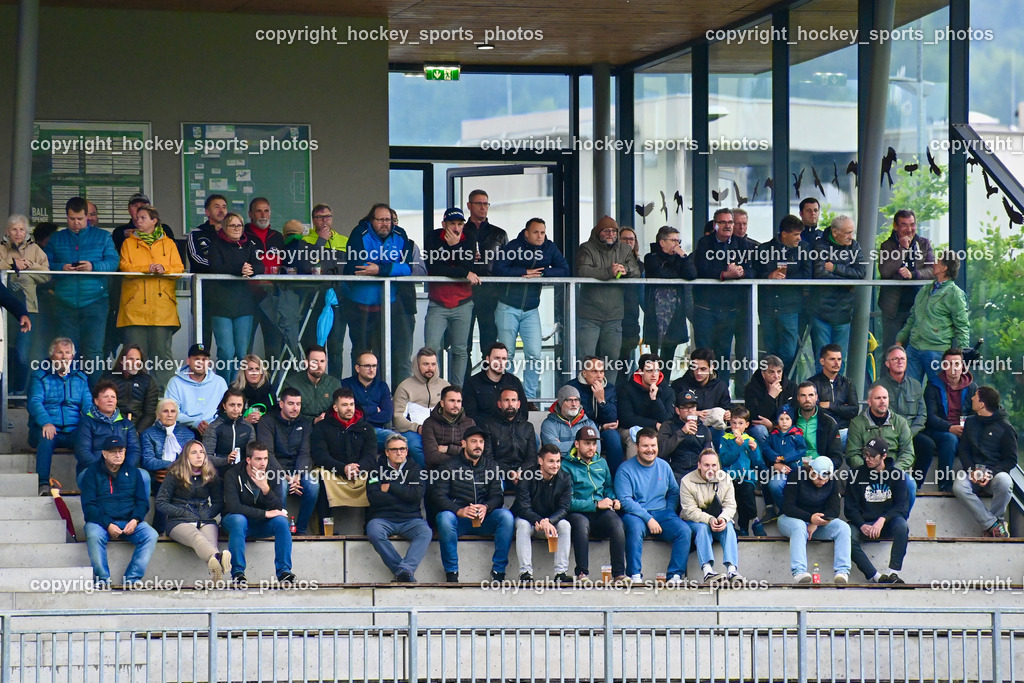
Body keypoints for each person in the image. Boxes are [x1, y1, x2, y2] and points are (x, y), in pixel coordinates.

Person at [492, 218, 570, 399]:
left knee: (534, 354)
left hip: (531, 310)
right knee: (507, 355)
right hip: (507, 307)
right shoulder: (513, 246)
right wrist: (523, 272)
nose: (540, 236)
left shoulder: (549, 247)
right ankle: (508, 396)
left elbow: (565, 269)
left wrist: (543, 273)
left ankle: (528, 398)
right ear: (526, 233)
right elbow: (498, 268)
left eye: (542, 232)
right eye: (536, 232)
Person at [43, 197, 119, 383]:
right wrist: (62, 268)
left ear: (88, 217)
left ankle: (94, 399)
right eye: (71, 219)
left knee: (94, 353)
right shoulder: (56, 238)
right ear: (66, 217)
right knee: (66, 353)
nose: (76, 223)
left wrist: (92, 266)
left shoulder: (103, 236)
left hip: (96, 301)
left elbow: (114, 262)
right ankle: (69, 397)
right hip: (64, 303)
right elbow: (45, 264)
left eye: (80, 219)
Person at [429, 426, 514, 582]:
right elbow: (438, 496)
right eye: (473, 441)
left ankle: (498, 571)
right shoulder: (449, 466)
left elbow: (497, 497)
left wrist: (486, 507)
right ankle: (452, 573)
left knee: (506, 516)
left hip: (484, 518)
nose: (478, 445)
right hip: (459, 519)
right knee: (444, 518)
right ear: (463, 443)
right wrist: (458, 510)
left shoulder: (491, 466)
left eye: (481, 442)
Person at [117, 204, 184, 389]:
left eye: (143, 218)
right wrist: (147, 269)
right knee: (133, 355)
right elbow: (125, 267)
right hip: (135, 309)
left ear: (154, 221)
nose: (138, 221)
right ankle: (131, 394)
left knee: (162, 355)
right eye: (137, 218)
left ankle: (166, 398)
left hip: (162, 309)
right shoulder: (128, 243)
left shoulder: (169, 243)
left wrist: (165, 269)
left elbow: (178, 269)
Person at [615, 428, 692, 583]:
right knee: (635, 528)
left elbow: (673, 492)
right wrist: (649, 519)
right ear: (636, 447)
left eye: (653, 445)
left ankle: (675, 575)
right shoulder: (625, 469)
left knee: (684, 531)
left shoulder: (664, 466)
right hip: (636, 514)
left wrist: (669, 511)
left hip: (663, 513)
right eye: (645, 446)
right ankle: (634, 575)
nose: (650, 450)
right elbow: (625, 500)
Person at [343, 203, 414, 370]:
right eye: (380, 220)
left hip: (390, 304)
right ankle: (357, 393)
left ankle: (383, 392)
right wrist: (391, 267)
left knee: (386, 351)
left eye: (388, 220)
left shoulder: (400, 234)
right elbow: (357, 266)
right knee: (361, 351)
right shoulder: (359, 233)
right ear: (371, 220)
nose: (385, 224)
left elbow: (407, 267)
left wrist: (379, 269)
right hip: (360, 305)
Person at [81, 435, 158, 587]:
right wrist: (108, 524)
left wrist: (135, 520)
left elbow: (142, 502)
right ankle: (102, 579)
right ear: (104, 453)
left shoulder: (133, 472)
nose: (118, 455)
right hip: (101, 521)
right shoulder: (91, 473)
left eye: (121, 451)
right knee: (94, 535)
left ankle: (132, 579)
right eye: (113, 451)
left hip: (129, 520)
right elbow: (89, 506)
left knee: (151, 535)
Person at [575, 215, 642, 385]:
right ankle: (583, 395)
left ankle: (607, 393)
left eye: (614, 231)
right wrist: (608, 272)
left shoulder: (624, 250)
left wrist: (624, 269)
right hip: (589, 315)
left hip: (614, 316)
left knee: (612, 359)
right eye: (606, 231)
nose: (611, 234)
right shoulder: (586, 248)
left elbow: (636, 270)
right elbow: (583, 271)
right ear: (598, 232)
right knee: (586, 360)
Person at [156, 440, 231, 582]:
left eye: (201, 452)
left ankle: (216, 571)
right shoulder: (174, 474)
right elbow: (161, 502)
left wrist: (207, 514)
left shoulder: (211, 475)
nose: (199, 456)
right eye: (194, 452)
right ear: (186, 456)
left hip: (204, 518)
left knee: (210, 544)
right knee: (198, 538)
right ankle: (219, 559)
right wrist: (182, 512)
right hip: (179, 521)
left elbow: (218, 502)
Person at [222, 441, 295, 585]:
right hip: (235, 522)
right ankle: (238, 573)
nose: (263, 463)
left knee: (281, 521)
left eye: (265, 459)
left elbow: (278, 507)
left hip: (259, 524)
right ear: (248, 460)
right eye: (258, 459)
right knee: (239, 519)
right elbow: (233, 506)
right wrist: (264, 514)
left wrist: (265, 488)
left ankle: (284, 571)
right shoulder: (232, 474)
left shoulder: (272, 474)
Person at [693, 208, 752, 381]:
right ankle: (701, 392)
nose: (728, 226)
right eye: (723, 222)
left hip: (729, 309)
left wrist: (741, 272)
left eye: (730, 222)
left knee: (723, 354)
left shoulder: (741, 244)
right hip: (706, 308)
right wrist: (724, 274)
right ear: (715, 225)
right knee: (703, 354)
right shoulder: (704, 242)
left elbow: (752, 271)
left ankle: (721, 394)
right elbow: (701, 268)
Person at [897, 248, 970, 388]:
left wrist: (962, 355)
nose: (934, 263)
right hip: (914, 347)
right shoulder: (926, 289)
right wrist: (900, 339)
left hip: (936, 350)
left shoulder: (955, 294)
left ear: (944, 267)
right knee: (910, 390)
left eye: (937, 261)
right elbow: (913, 317)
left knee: (938, 391)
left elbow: (962, 326)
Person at [27, 337, 91, 494]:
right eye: (60, 353)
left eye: (68, 353)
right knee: (47, 437)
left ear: (72, 357)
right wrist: (46, 422)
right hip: (47, 429)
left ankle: (86, 483)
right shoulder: (40, 375)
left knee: (88, 439)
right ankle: (43, 484)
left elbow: (88, 405)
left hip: (72, 431)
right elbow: (34, 402)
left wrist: (92, 424)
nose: (64, 357)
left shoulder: (81, 378)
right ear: (52, 356)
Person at [424, 207, 480, 387]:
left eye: (459, 224)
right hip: (438, 302)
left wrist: (455, 247)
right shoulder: (433, 237)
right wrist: (464, 272)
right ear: (443, 225)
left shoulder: (469, 238)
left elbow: (469, 263)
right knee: (431, 350)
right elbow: (435, 267)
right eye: (452, 224)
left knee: (460, 350)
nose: (456, 228)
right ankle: (434, 389)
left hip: (463, 303)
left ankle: (457, 392)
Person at [365, 434, 432, 582]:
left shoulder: (416, 469)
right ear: (387, 452)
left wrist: (390, 486)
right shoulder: (375, 470)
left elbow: (415, 496)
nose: (399, 452)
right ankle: (403, 571)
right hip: (383, 518)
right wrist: (404, 493)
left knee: (425, 532)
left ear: (407, 451)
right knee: (374, 531)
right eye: (394, 449)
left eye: (402, 449)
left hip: (411, 518)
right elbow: (374, 497)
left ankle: (405, 570)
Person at [563, 426, 625, 582]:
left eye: (594, 444)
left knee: (617, 522)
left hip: (600, 513)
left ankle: (619, 574)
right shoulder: (565, 465)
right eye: (587, 443)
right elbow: (567, 502)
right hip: (577, 512)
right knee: (581, 522)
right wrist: (596, 504)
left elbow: (608, 488)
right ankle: (582, 573)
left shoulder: (601, 462)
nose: (591, 448)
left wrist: (613, 499)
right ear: (577, 444)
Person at [207, 212, 265, 381]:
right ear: (225, 227)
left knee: (241, 352)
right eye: (232, 225)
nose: (237, 229)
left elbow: (260, 266)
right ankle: (223, 387)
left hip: (244, 306)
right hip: (221, 306)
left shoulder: (249, 244)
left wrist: (250, 270)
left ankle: (237, 388)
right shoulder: (216, 244)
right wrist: (240, 269)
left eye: (239, 225)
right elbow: (215, 267)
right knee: (226, 350)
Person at [954, 386, 1017, 538]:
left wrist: (991, 473)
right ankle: (993, 525)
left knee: (1005, 481)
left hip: (994, 474)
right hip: (972, 472)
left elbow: (1011, 459)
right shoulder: (970, 422)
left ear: (981, 404)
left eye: (975, 396)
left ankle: (996, 521)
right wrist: (972, 470)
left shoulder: (1006, 428)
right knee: (959, 486)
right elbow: (964, 451)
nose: (971, 399)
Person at [845, 438, 910, 584]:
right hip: (863, 523)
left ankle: (894, 573)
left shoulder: (897, 475)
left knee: (902, 526)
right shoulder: (855, 475)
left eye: (872, 456)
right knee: (846, 535)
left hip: (886, 523)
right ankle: (875, 576)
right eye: (866, 455)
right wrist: (862, 524)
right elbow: (850, 508)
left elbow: (901, 507)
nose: (867, 459)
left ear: (884, 456)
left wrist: (882, 519)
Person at [777, 456, 851, 584]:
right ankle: (799, 572)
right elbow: (788, 506)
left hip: (817, 523)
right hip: (791, 519)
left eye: (825, 479)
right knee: (799, 526)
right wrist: (810, 518)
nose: (822, 482)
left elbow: (834, 510)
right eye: (818, 478)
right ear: (811, 470)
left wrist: (815, 522)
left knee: (843, 527)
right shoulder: (796, 475)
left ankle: (842, 571)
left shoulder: (832, 481)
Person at [753, 215, 812, 371]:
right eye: (796, 234)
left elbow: (808, 274)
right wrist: (769, 277)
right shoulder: (764, 249)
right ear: (784, 234)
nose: (799, 238)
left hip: (791, 306)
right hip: (768, 306)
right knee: (769, 349)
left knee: (789, 350)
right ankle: (769, 388)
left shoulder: (804, 248)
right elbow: (754, 273)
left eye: (800, 234)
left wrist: (786, 278)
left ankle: (784, 385)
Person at [257, 387, 318, 535]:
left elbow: (305, 453)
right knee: (281, 485)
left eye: (298, 404)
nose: (295, 408)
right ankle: (281, 528)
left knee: (313, 485)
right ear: (281, 404)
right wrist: (286, 477)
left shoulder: (305, 422)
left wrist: (297, 475)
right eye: (291, 403)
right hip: (274, 469)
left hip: (298, 469)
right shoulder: (267, 421)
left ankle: (301, 529)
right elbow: (268, 454)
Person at [845, 384, 917, 510]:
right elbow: (852, 454)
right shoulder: (857, 423)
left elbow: (908, 453)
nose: (882, 401)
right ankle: (864, 521)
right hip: (866, 468)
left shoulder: (900, 422)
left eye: (885, 397)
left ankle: (899, 520)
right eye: (878, 398)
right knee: (854, 480)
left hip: (893, 469)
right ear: (869, 401)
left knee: (910, 484)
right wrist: (868, 470)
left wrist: (892, 471)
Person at [512, 445, 574, 583]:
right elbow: (523, 508)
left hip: (549, 523)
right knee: (522, 525)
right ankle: (525, 573)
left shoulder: (564, 478)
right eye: (551, 461)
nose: (556, 465)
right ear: (540, 461)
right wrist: (540, 521)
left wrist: (549, 522)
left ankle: (560, 573)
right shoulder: (528, 476)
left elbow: (564, 508)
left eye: (558, 461)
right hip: (528, 520)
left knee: (565, 525)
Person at [810, 215, 866, 369]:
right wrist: (847, 281)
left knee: (840, 362)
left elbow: (861, 272)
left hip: (844, 312)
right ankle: (820, 393)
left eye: (852, 232)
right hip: (821, 312)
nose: (851, 236)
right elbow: (821, 274)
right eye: (848, 233)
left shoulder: (854, 246)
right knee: (823, 361)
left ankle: (838, 393)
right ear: (835, 232)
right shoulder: (820, 245)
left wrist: (835, 268)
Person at [0, 213, 48, 393]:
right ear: (7, 231)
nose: (18, 233)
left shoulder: (35, 250)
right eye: (14, 229)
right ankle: (5, 393)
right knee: (5, 352)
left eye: (21, 229)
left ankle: (18, 392)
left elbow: (46, 274)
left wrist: (28, 265)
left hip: (27, 309)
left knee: (22, 353)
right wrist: (12, 264)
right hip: (4, 311)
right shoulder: (1, 248)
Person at [680, 449, 742, 583]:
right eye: (706, 465)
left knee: (729, 526)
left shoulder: (725, 478)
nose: (711, 469)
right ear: (699, 465)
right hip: (693, 521)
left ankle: (732, 569)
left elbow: (730, 505)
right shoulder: (687, 481)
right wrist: (709, 519)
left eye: (714, 465)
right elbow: (690, 510)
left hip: (718, 518)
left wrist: (723, 518)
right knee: (703, 528)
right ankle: (707, 571)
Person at [311, 387, 377, 510]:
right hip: (333, 471)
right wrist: (343, 468)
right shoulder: (322, 427)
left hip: (359, 471)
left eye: (352, 404)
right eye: (344, 405)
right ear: (335, 408)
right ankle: (325, 527)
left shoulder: (366, 428)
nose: (349, 408)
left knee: (376, 475)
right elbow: (320, 456)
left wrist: (358, 468)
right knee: (319, 475)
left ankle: (370, 526)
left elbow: (370, 455)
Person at [300, 203, 349, 367]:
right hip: (314, 298)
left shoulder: (344, 240)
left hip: (338, 299)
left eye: (328, 216)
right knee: (314, 346)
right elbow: (306, 266)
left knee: (336, 346)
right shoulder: (305, 240)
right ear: (313, 220)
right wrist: (321, 241)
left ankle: (335, 386)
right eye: (320, 218)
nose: (324, 221)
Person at [877, 209, 934, 351]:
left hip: (918, 307)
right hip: (893, 309)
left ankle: (911, 375)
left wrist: (913, 274)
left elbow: (932, 270)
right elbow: (885, 271)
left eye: (912, 224)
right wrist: (902, 249)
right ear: (895, 226)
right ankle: (887, 375)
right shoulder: (887, 245)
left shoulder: (924, 244)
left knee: (915, 351)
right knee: (891, 350)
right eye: (904, 225)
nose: (909, 229)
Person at [876, 345, 931, 491]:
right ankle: (888, 484)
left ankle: (916, 486)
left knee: (927, 445)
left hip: (912, 432)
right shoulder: (879, 387)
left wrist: (910, 433)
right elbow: (879, 415)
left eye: (903, 359)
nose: (900, 362)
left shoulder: (916, 385)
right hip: (889, 432)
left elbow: (922, 414)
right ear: (887, 363)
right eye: (895, 359)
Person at [923, 348, 977, 491]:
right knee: (950, 439)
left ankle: (978, 482)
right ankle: (944, 483)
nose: (953, 368)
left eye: (957, 364)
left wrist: (965, 428)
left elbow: (975, 413)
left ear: (963, 366)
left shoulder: (972, 387)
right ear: (943, 367)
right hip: (939, 430)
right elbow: (930, 417)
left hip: (964, 429)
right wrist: (949, 428)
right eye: (949, 364)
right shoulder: (932, 386)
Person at [643, 225, 696, 366]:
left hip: (675, 311)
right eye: (673, 240)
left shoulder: (680, 259)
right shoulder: (651, 257)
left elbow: (691, 275)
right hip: (655, 310)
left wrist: (684, 257)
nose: (677, 244)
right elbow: (661, 274)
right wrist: (678, 275)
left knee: (669, 354)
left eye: (679, 240)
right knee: (653, 356)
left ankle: (665, 384)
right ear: (662, 242)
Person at [465, 189, 507, 355]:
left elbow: (505, 263)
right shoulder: (461, 230)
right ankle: (463, 381)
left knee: (489, 344)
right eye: (479, 203)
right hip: (464, 291)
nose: (483, 207)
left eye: (486, 204)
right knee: (463, 345)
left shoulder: (499, 233)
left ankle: (487, 380)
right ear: (469, 205)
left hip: (490, 293)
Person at [392, 347, 449, 468]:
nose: (430, 368)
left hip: (442, 429)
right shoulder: (405, 387)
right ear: (417, 365)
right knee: (414, 445)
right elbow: (397, 418)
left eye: (433, 364)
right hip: (415, 431)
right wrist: (417, 428)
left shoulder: (445, 386)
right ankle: (431, 474)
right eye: (425, 364)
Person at [243, 197, 285, 359]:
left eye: (266, 210)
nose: (263, 214)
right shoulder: (243, 235)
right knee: (245, 347)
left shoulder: (277, 237)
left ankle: (272, 384)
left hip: (273, 296)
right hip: (248, 296)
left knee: (274, 347)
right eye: (258, 211)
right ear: (250, 214)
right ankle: (242, 384)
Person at [565, 356, 623, 473]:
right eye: (594, 371)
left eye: (601, 372)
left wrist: (601, 400)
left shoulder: (610, 388)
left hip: (603, 432)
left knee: (613, 437)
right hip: (578, 431)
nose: (599, 376)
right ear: (584, 373)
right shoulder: (572, 388)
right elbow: (573, 418)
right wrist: (599, 427)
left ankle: (614, 480)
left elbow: (611, 419)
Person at [74, 380, 143, 478]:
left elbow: (134, 450)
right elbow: (83, 451)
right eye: (105, 397)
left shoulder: (126, 424)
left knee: (144, 477)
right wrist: (102, 469)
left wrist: (124, 469)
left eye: (113, 397)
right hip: (94, 471)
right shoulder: (86, 422)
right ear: (96, 401)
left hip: (123, 470)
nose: (110, 400)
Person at [670, 347, 732, 447]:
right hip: (684, 428)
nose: (698, 373)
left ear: (712, 367)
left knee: (720, 432)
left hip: (713, 429)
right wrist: (693, 413)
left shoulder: (720, 386)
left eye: (703, 369)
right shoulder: (679, 385)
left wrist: (728, 414)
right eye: (695, 368)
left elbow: (726, 407)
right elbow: (671, 411)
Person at [618, 353, 675, 460]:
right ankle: (634, 473)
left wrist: (655, 399)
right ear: (641, 371)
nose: (654, 374)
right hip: (630, 429)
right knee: (635, 435)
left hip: (657, 430)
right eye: (649, 371)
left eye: (657, 370)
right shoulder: (627, 389)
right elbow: (626, 419)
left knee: (666, 435)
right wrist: (654, 424)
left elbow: (667, 419)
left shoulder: (667, 390)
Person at [188, 194, 227, 347]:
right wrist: (224, 267)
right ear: (207, 212)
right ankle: (201, 370)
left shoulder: (232, 235)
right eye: (216, 206)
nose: (221, 210)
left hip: (227, 294)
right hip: (204, 293)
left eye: (224, 207)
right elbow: (197, 260)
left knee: (226, 344)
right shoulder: (197, 233)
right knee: (203, 340)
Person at [477, 388, 538, 486]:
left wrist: (520, 472)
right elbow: (488, 458)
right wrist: (509, 472)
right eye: (506, 400)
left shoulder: (527, 427)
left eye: (513, 400)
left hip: (523, 473)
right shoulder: (488, 426)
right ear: (499, 404)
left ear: (518, 404)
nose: (510, 404)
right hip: (498, 473)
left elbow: (531, 458)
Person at [717, 406, 762, 536]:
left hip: (746, 477)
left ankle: (750, 522)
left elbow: (757, 462)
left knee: (746, 494)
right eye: (734, 423)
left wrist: (754, 451)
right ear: (730, 423)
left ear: (746, 425)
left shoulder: (750, 440)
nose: (737, 426)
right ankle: (746, 526)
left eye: (740, 423)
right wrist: (737, 446)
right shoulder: (725, 439)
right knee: (737, 498)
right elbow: (725, 460)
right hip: (730, 477)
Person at [165, 343, 229, 436]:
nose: (200, 363)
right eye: (197, 359)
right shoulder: (175, 382)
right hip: (184, 429)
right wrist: (195, 422)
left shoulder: (219, 382)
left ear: (209, 363)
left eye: (204, 359)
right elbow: (171, 411)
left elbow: (226, 410)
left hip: (215, 430)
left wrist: (212, 425)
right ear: (188, 361)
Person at [341, 351, 396, 451]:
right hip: (353, 430)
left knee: (396, 441)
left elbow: (387, 416)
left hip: (377, 431)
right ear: (357, 368)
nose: (372, 370)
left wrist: (359, 414)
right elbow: (346, 414)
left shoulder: (382, 386)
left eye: (374, 366)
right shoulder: (346, 384)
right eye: (367, 366)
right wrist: (374, 409)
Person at [760, 404, 807, 518]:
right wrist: (775, 457)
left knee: (798, 488)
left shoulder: (796, 434)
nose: (784, 422)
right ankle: (784, 509)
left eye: (787, 419)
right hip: (779, 471)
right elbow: (765, 447)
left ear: (792, 420)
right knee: (772, 484)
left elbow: (802, 450)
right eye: (781, 419)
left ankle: (797, 510)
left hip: (795, 469)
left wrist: (786, 457)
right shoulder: (774, 434)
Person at [462, 342, 529, 421]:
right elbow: (470, 416)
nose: (500, 362)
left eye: (504, 359)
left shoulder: (514, 382)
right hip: (482, 431)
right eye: (497, 358)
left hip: (511, 431)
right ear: (487, 359)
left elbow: (523, 413)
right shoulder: (472, 383)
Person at [657, 389, 714, 481]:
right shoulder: (668, 426)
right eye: (686, 408)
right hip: (674, 472)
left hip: (699, 472)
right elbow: (660, 451)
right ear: (677, 410)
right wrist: (682, 432)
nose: (690, 411)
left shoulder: (704, 429)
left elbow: (708, 454)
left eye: (693, 407)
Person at [806, 344, 858, 442]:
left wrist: (830, 405)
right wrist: (843, 408)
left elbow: (854, 410)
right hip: (820, 432)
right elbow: (814, 410)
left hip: (844, 431)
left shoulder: (847, 383)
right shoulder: (812, 383)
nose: (836, 363)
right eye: (832, 359)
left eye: (839, 359)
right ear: (822, 361)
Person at [102, 345, 159, 434]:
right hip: (110, 428)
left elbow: (149, 414)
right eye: (131, 359)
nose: (134, 363)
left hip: (137, 430)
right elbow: (100, 407)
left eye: (137, 360)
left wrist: (137, 432)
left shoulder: (148, 381)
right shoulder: (108, 379)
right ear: (121, 360)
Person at [140, 397, 196, 483]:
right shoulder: (148, 434)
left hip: (184, 478)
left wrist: (175, 469)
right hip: (157, 478)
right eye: (165, 411)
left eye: (173, 411)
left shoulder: (188, 434)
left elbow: (192, 459)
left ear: (177, 414)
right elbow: (147, 461)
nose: (169, 415)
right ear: (157, 414)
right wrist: (172, 465)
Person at [744, 355, 797, 445]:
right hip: (761, 428)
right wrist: (770, 397)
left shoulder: (791, 387)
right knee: (759, 430)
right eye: (771, 372)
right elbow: (754, 417)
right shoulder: (751, 388)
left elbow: (794, 414)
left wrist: (773, 425)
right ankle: (765, 458)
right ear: (763, 373)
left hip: (784, 426)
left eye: (779, 372)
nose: (776, 376)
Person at [792, 382, 845, 469]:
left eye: (811, 395)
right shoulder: (790, 419)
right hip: (793, 466)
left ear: (816, 397)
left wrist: (825, 469)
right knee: (776, 483)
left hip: (819, 468)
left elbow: (837, 456)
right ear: (798, 397)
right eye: (803, 395)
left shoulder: (828, 422)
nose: (807, 399)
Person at [284, 345, 343, 423]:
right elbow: (287, 413)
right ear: (306, 363)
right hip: (299, 428)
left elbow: (341, 410)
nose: (319, 365)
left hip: (328, 428)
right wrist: (313, 420)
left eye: (322, 361)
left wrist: (329, 417)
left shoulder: (335, 384)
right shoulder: (291, 383)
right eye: (314, 361)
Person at [202, 388, 256, 473]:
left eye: (239, 405)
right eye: (232, 405)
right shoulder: (214, 427)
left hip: (242, 472)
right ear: (224, 406)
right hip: (218, 473)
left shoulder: (249, 428)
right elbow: (206, 457)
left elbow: (252, 455)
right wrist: (226, 460)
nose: (235, 409)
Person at [422, 385, 476, 469]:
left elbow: (473, 453)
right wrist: (462, 455)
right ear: (442, 403)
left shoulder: (469, 423)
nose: (456, 405)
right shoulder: (429, 423)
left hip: (466, 471)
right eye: (452, 401)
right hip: (439, 472)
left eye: (459, 401)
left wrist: (448, 449)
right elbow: (431, 456)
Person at [541, 385, 599, 457]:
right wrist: (583, 446)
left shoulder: (589, 423)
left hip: (583, 465)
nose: (574, 404)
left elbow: (596, 450)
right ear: (561, 403)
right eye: (569, 400)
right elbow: (553, 450)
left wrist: (562, 445)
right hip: (559, 466)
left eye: (576, 400)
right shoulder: (549, 423)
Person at [617, 226, 643, 368]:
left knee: (626, 361)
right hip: (612, 316)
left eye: (631, 239)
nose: (628, 242)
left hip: (631, 317)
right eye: (624, 239)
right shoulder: (612, 262)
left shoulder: (640, 266)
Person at [231, 354, 275, 426]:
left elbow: (276, 416)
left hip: (265, 430)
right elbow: (226, 417)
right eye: (250, 369)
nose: (254, 373)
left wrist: (263, 419)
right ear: (244, 372)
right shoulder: (234, 390)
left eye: (257, 369)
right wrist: (244, 420)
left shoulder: (269, 390)